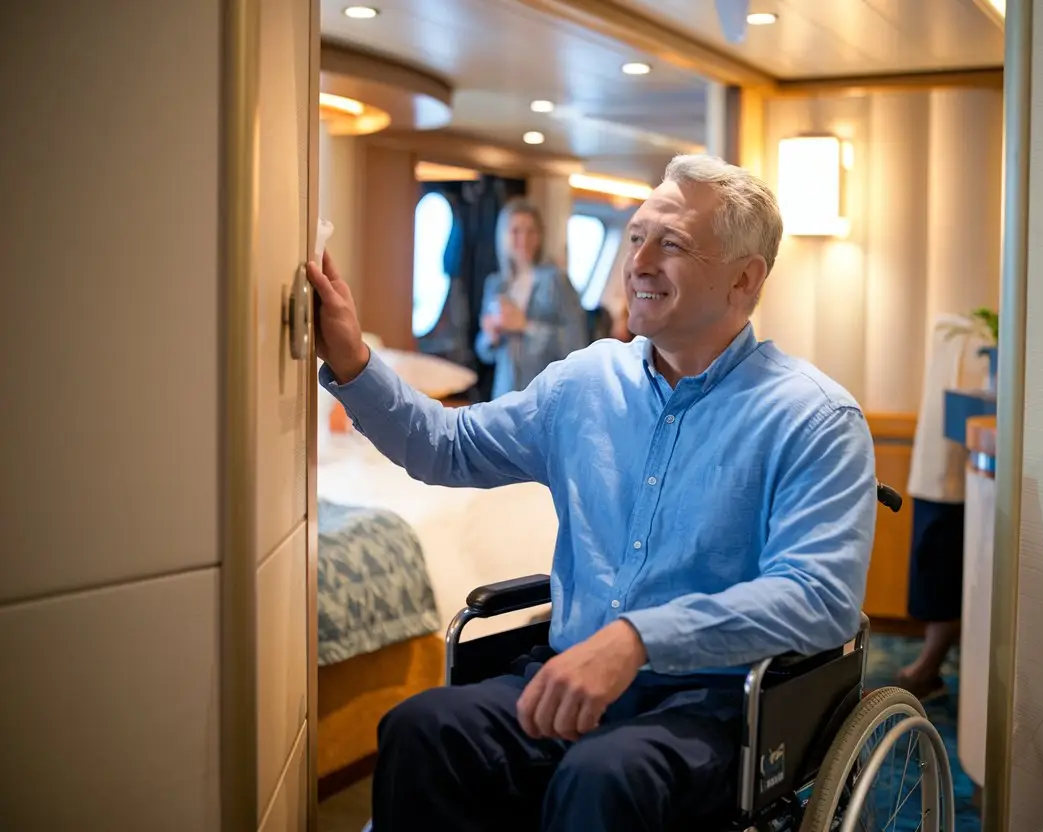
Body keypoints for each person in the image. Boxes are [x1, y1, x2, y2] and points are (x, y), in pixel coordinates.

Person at [309, 153, 879, 832]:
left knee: (601, 779)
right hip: (563, 678)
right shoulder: (584, 383)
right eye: (637, 237)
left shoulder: (813, 419)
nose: (638, 262)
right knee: (421, 727)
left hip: (711, 706)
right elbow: (448, 446)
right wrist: (350, 359)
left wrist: (638, 640)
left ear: (744, 278)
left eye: (671, 244)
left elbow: (819, 596)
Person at [475, 197, 588, 399]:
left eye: (531, 231)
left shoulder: (557, 280)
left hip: (544, 398)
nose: (524, 239)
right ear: (504, 236)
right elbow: (485, 353)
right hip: (504, 396)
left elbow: (577, 345)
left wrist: (526, 327)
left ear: (540, 236)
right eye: (516, 231)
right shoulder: (496, 284)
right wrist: (489, 336)